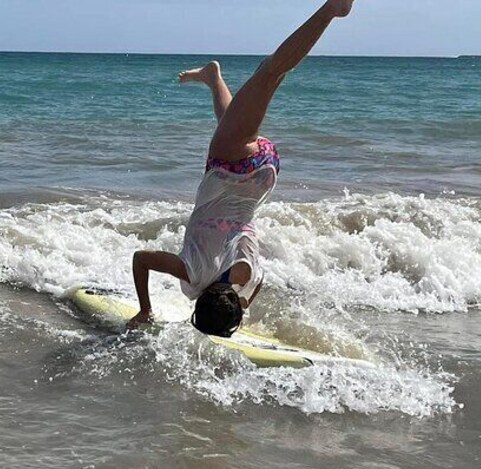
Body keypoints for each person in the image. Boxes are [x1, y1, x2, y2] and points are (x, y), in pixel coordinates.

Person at [128, 0, 355, 336]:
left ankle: (212, 76)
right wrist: (145, 309)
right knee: (270, 73)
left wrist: (243, 305)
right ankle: (331, 10)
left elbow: (254, 289)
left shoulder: (248, 278)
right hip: (228, 167)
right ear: (197, 309)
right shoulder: (190, 273)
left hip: (264, 171)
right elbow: (140, 259)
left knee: (234, 118)